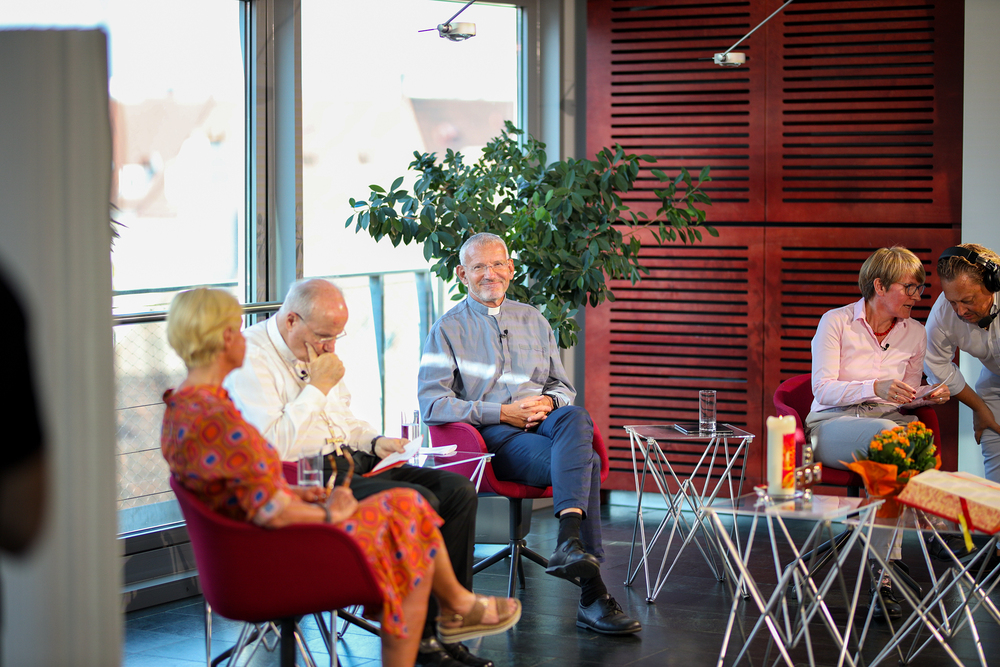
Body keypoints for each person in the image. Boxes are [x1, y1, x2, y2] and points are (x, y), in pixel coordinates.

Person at [161, 288, 520, 667]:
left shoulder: (194, 405)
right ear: (226, 338)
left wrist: (373, 443)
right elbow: (270, 484)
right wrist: (327, 508)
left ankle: (452, 612)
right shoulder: (219, 413)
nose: (243, 336)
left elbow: (247, 483)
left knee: (451, 492)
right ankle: (443, 623)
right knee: (410, 512)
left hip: (306, 490)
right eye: (236, 329)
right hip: (274, 536)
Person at [417, 232, 642, 636]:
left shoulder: (534, 319)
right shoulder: (447, 329)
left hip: (545, 423)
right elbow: (432, 404)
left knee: (575, 415)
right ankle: (590, 590)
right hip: (495, 438)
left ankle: (569, 542)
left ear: (511, 269)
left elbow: (562, 386)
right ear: (462, 274)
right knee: (588, 461)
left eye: (497, 264)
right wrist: (500, 412)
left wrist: (548, 403)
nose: (490, 274)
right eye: (479, 267)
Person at [805, 246, 949, 619]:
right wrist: (874, 387)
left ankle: (884, 578)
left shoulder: (915, 333)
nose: (917, 297)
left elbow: (905, 396)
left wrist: (927, 395)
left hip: (888, 423)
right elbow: (822, 389)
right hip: (832, 424)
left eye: (920, 288)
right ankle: (929, 530)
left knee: (907, 439)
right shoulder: (836, 322)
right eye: (909, 288)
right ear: (879, 286)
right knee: (894, 437)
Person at [924, 243, 1000, 569]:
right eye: (953, 300)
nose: (959, 311)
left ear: (993, 285)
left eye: (967, 300)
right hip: (994, 383)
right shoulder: (945, 311)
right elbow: (937, 366)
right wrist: (979, 408)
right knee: (996, 467)